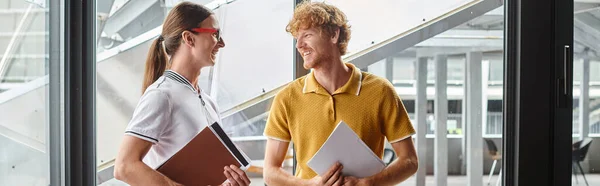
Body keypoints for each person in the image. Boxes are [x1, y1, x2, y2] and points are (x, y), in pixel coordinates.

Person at [263, 2, 418, 186]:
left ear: (334, 35)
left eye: (307, 35)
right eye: (297, 38)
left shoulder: (381, 91)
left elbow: (409, 160)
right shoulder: (287, 98)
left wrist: (366, 184)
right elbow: (270, 172)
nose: (299, 45)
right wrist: (309, 185)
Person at [113, 2, 250, 186]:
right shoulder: (161, 96)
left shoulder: (208, 102)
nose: (222, 43)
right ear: (189, 38)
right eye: (215, 34)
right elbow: (124, 167)